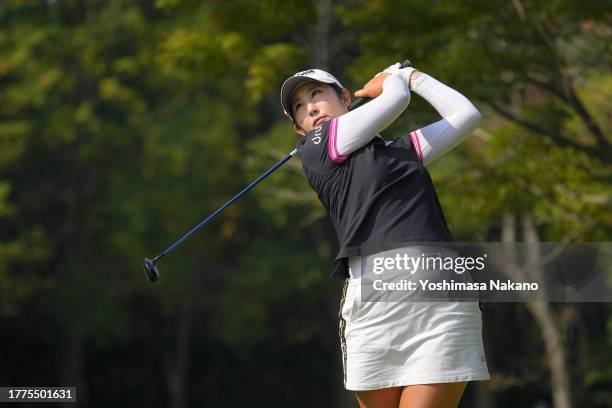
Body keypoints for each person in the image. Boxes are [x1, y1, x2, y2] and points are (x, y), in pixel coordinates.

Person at [279, 63, 490, 408]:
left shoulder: (402, 151)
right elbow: (395, 100)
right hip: (374, 305)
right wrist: (393, 81)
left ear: (345, 98)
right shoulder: (317, 148)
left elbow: (465, 115)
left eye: (316, 94)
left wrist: (413, 77)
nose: (311, 108)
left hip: (438, 296)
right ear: (299, 129)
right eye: (299, 107)